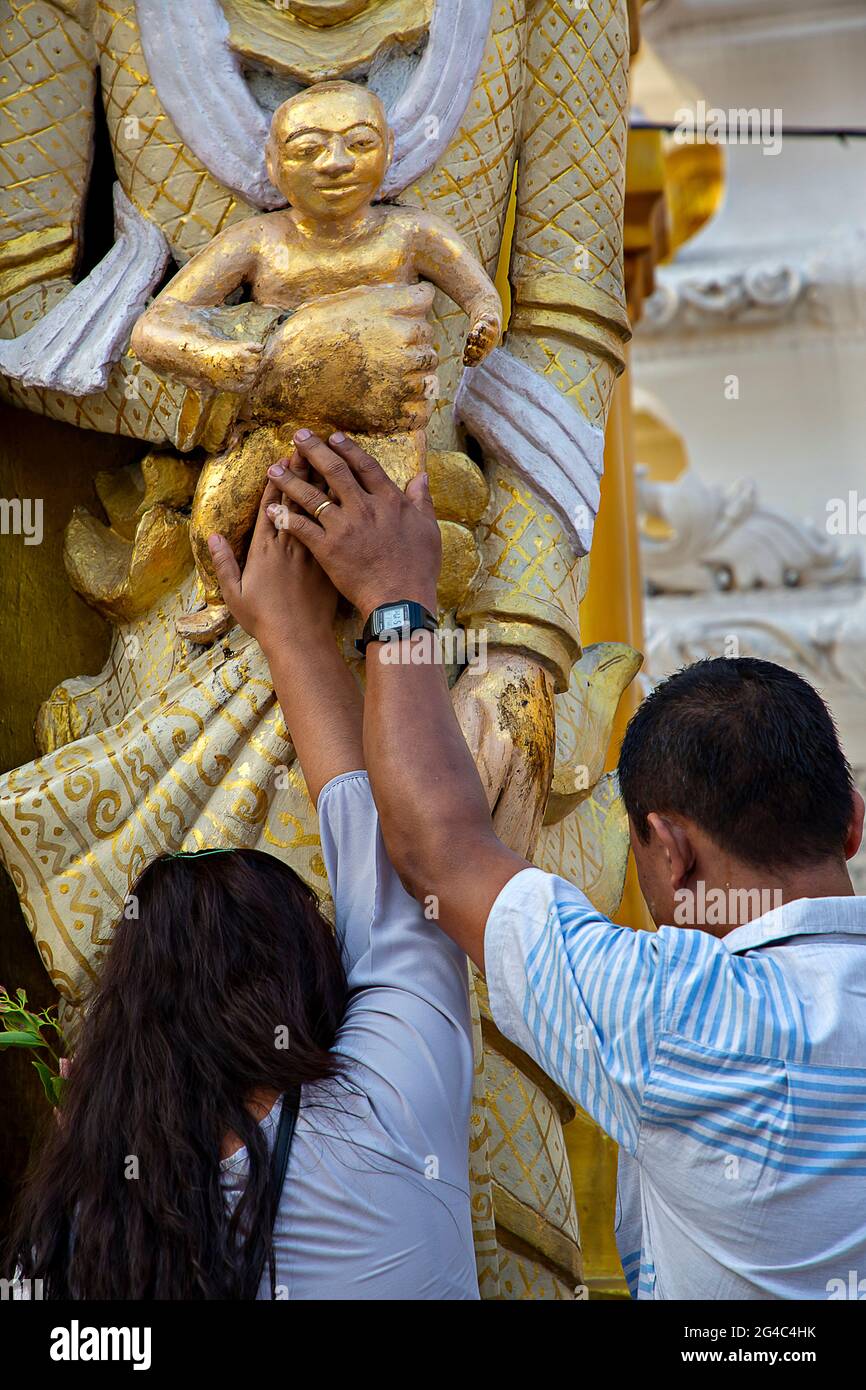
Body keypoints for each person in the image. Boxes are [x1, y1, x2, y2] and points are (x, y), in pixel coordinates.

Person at [237, 428, 866, 1301]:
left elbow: (439, 851)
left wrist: (393, 598)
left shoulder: (682, 1014)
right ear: (852, 826)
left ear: (672, 854)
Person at [9, 468, 477, 1301]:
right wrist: (364, 606)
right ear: (313, 978)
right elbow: (403, 857)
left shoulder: (80, 1236)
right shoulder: (389, 1109)